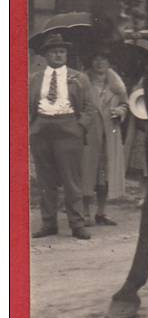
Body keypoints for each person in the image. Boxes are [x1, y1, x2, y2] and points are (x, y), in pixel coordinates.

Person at [29, 33, 98, 239]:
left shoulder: (78, 78)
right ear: (45, 55)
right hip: (41, 129)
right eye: (54, 52)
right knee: (45, 180)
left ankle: (77, 224)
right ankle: (49, 224)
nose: (58, 56)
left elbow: (90, 107)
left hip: (68, 130)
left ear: (66, 54)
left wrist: (79, 127)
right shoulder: (35, 78)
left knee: (71, 180)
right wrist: (31, 126)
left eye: (62, 52)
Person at [81, 49, 129, 226]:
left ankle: (101, 212)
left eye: (103, 59)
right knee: (86, 173)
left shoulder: (117, 86)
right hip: (89, 135)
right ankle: (85, 213)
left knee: (105, 174)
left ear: (109, 63)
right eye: (96, 59)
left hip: (110, 134)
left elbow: (126, 104)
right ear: (90, 62)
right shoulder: (82, 83)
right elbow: (76, 105)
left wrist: (120, 111)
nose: (100, 63)